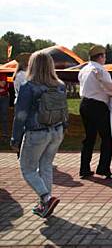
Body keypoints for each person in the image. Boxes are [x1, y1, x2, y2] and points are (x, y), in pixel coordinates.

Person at [10, 51, 67, 218]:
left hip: (37, 133)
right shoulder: (60, 85)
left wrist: (16, 139)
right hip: (57, 131)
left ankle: (46, 198)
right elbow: (64, 110)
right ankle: (45, 204)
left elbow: (20, 116)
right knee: (46, 166)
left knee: (27, 169)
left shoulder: (29, 87)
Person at [78, 45, 112, 179]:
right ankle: (103, 168)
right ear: (100, 57)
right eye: (104, 56)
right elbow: (111, 88)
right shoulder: (101, 70)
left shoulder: (83, 69)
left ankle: (84, 169)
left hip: (84, 104)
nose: (105, 59)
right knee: (107, 138)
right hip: (98, 106)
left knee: (89, 138)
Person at [0, 70, 9, 140]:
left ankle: (4, 134)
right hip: (3, 96)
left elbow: (2, 84)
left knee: (4, 116)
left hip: (4, 97)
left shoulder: (2, 73)